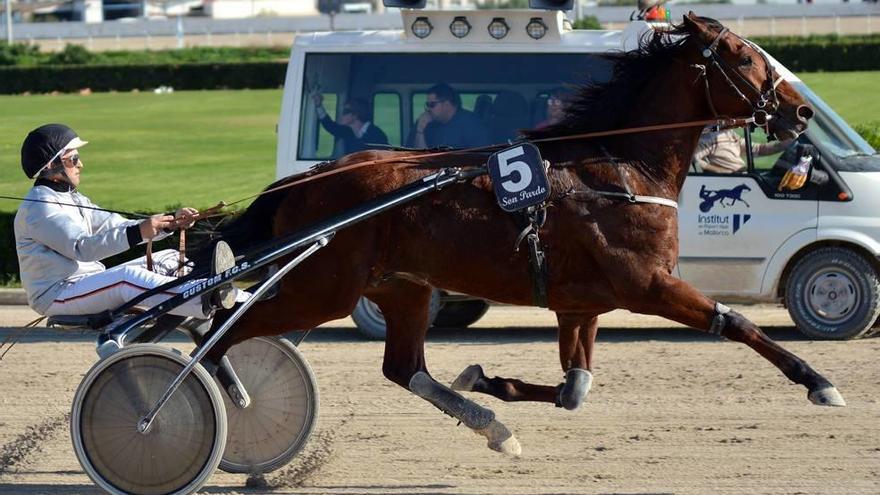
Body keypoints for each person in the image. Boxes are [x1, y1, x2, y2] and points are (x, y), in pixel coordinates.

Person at [14, 123, 244, 321]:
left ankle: (241, 296)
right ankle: (206, 297)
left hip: (85, 283)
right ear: (51, 168)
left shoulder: (72, 197)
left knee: (170, 258)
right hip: (57, 294)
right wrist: (139, 232)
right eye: (73, 159)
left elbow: (113, 224)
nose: (80, 164)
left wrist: (168, 222)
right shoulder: (39, 208)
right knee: (126, 281)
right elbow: (81, 248)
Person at [411, 83, 490, 149]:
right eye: (427, 105)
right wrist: (420, 131)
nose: (428, 109)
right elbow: (418, 158)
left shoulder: (472, 124)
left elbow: (480, 158)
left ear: (446, 105)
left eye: (432, 104)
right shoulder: (427, 124)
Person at [692, 127, 793, 174]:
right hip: (733, 179)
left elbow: (758, 149)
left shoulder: (729, 133)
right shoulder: (710, 137)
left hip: (745, 175)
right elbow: (693, 159)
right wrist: (724, 172)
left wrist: (787, 143)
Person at [311, 95, 389, 156]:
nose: (341, 115)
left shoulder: (377, 135)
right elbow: (330, 126)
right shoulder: (347, 131)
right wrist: (319, 105)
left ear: (355, 114)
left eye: (345, 112)